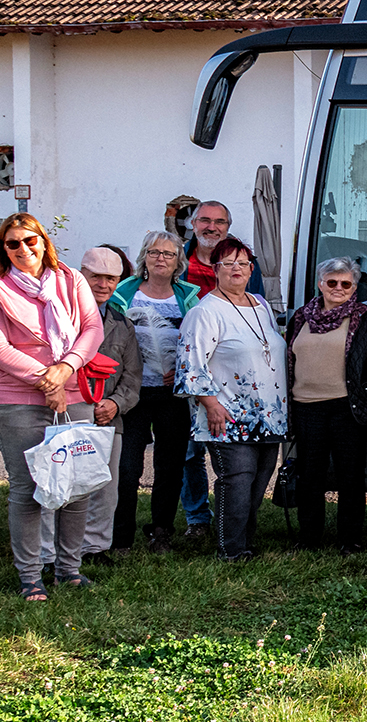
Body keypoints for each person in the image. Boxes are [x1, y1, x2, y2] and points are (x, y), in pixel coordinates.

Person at [0, 211, 106, 601]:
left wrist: (64, 369)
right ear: (4, 250)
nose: (23, 249)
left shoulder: (71, 280)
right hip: (16, 401)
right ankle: (31, 575)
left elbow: (92, 328)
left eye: (30, 240)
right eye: (12, 243)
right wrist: (47, 380)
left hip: (74, 391)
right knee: (30, 487)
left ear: (44, 242)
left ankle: (69, 569)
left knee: (76, 485)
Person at [178, 236, 287, 561]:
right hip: (228, 414)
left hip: (270, 415)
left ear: (251, 269)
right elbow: (190, 366)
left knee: (257, 484)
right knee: (236, 482)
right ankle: (231, 550)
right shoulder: (206, 312)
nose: (236, 269)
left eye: (242, 263)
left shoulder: (261, 305)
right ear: (215, 269)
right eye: (228, 263)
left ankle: (245, 541)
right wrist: (210, 405)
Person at [286, 256, 367, 551]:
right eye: (332, 282)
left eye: (346, 283)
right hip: (306, 407)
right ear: (321, 284)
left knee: (350, 476)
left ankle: (350, 539)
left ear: (354, 287)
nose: (338, 288)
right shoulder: (301, 317)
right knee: (310, 476)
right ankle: (309, 538)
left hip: (348, 408)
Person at [114, 232, 201, 551]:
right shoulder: (123, 293)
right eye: (154, 252)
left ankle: (161, 529)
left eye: (168, 253)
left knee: (170, 465)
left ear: (180, 260)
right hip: (132, 393)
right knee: (127, 468)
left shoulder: (189, 296)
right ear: (144, 257)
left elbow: (198, 341)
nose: (161, 258)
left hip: (172, 396)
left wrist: (182, 369)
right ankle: (120, 534)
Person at [76, 246, 143, 566]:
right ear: (81, 275)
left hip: (108, 419)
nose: (103, 284)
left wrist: (116, 404)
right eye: (96, 277)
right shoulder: (62, 318)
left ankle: (96, 548)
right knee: (67, 484)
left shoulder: (123, 324)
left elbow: (133, 376)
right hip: (68, 414)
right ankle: (57, 549)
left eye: (111, 279)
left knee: (105, 486)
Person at [182, 200, 234, 295]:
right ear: (193, 225)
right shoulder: (176, 261)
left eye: (220, 222)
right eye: (205, 220)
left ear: (228, 227)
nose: (211, 228)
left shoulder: (245, 264)